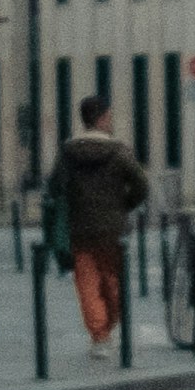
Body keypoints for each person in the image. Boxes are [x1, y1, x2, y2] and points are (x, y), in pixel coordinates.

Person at [51, 97, 147, 346]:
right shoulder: (118, 151)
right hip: (112, 228)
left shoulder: (68, 152)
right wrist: (125, 204)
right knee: (112, 280)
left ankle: (99, 333)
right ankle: (109, 323)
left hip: (79, 227)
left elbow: (54, 186)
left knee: (87, 283)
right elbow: (141, 184)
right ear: (102, 118)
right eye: (109, 116)